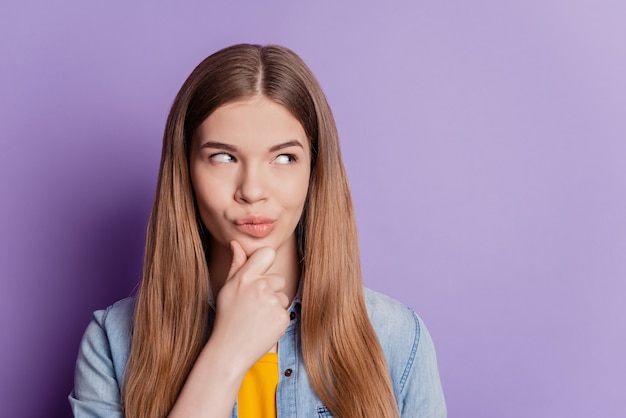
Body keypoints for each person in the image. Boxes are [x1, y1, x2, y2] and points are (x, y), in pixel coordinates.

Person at [69, 43, 446, 418]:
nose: (252, 189)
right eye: (223, 157)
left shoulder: (397, 337)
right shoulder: (114, 343)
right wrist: (227, 352)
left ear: (314, 171)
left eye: (284, 158)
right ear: (185, 171)